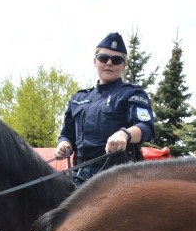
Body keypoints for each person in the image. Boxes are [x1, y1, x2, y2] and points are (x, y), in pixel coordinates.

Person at [54, 32, 155, 180]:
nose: (109, 63)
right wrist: (63, 144)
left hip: (119, 176)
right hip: (79, 176)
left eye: (116, 60)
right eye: (103, 58)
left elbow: (146, 127)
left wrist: (124, 134)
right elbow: (67, 134)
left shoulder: (132, 93)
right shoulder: (78, 98)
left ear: (124, 64)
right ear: (95, 61)